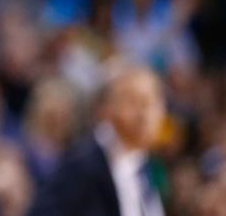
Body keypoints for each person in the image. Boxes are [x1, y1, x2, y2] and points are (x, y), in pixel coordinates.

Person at [26, 64, 166, 216]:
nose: (145, 115)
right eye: (133, 102)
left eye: (151, 102)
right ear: (107, 107)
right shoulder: (82, 165)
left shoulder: (143, 164)